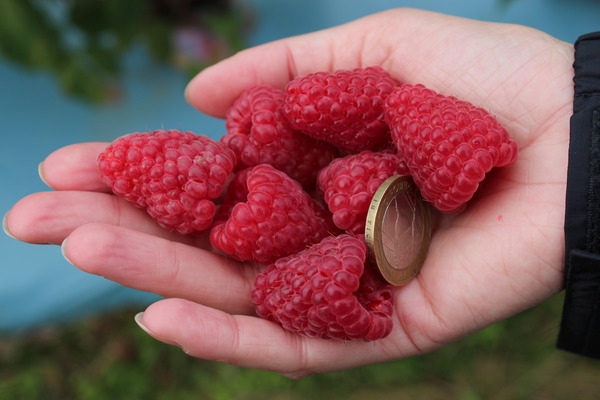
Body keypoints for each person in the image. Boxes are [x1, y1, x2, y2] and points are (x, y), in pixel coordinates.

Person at [2, 8, 578, 378]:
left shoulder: (394, 120)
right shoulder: (291, 175)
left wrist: (567, 123)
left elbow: (341, 156)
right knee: (300, 113)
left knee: (306, 110)